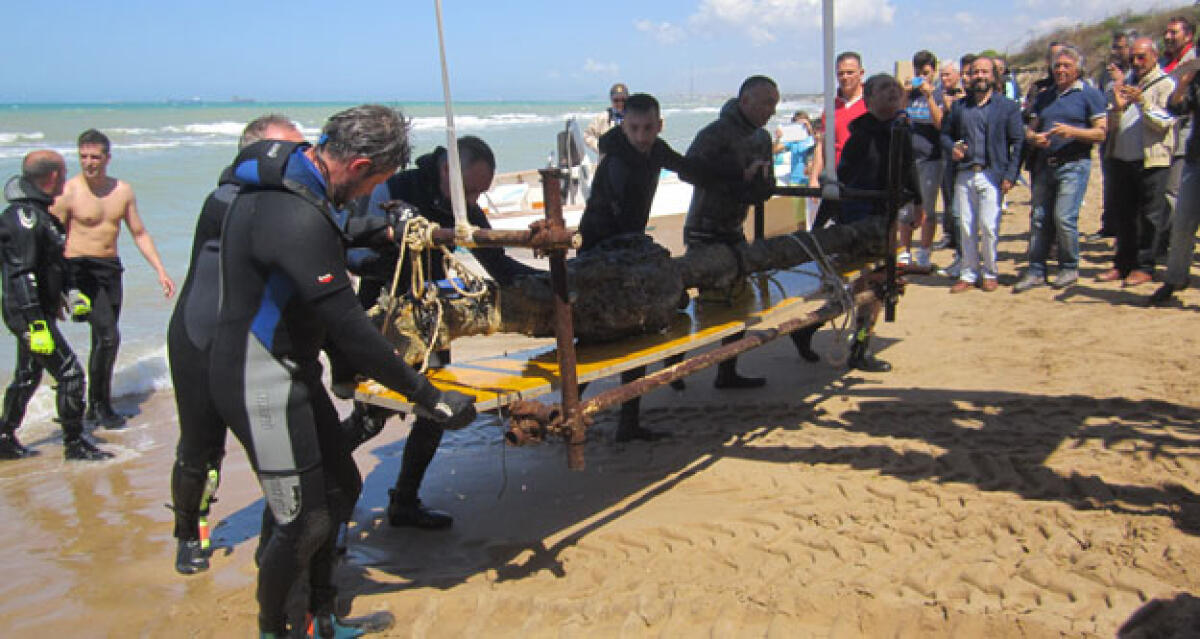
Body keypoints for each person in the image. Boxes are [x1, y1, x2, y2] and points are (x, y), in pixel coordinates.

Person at [209, 105, 476, 638]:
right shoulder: (293, 214)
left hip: (292, 369)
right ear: (356, 165)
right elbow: (350, 328)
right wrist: (429, 396)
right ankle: (277, 630)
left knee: (340, 488)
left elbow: (338, 228)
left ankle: (321, 617)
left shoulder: (300, 181)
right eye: (373, 184)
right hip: (257, 379)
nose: (366, 194)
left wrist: (382, 226)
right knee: (302, 518)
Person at [353, 135, 535, 531]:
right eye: (469, 190)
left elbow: (498, 263)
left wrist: (553, 275)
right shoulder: (396, 190)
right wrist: (396, 243)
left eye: (481, 193)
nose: (474, 201)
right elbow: (352, 253)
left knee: (438, 407)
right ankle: (320, 488)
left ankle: (404, 501)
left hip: (435, 321)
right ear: (446, 172)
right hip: (388, 321)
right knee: (371, 418)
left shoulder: (464, 206)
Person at [167, 115, 306, 576]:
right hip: (200, 336)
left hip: (250, 340)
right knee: (201, 446)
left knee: (273, 446)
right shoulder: (226, 199)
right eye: (288, 152)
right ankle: (189, 533)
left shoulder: (283, 200)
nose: (299, 160)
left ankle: (292, 531)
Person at [580, 92, 761, 440]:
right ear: (624, 125)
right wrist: (637, 255)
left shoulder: (656, 149)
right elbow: (614, 217)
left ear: (659, 126)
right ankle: (576, 410)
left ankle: (629, 419)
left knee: (638, 332)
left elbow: (692, 169)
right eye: (634, 129)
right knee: (596, 338)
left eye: (648, 128)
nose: (642, 137)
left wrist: (740, 174)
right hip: (601, 251)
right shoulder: (617, 160)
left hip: (630, 248)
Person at [51, 129, 176, 429]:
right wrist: (55, 287)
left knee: (104, 338)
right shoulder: (68, 192)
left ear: (108, 157)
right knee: (108, 336)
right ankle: (97, 405)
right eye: (83, 156)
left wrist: (160, 270)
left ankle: (95, 401)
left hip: (110, 269)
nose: (89, 162)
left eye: (95, 157)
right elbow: (50, 239)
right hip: (79, 271)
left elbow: (139, 233)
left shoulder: (122, 191)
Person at [0, 151, 112, 461]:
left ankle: (3, 436)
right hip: (28, 315)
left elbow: (51, 266)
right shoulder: (24, 218)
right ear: (52, 177)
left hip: (35, 312)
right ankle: (74, 445)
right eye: (63, 174)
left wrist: (70, 293)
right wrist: (36, 323)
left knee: (28, 374)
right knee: (71, 374)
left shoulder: (40, 215)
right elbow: (21, 273)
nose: (66, 179)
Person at [812, 74, 922, 372]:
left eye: (895, 89)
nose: (892, 92)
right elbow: (840, 183)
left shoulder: (900, 130)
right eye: (883, 88)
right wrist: (819, 226)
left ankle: (860, 346)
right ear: (869, 99)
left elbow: (908, 168)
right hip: (857, 223)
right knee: (862, 285)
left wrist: (919, 203)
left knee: (882, 288)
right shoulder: (861, 136)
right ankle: (810, 331)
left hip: (885, 221)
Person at [683, 75, 778, 388]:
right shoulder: (717, 132)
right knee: (703, 303)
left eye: (775, 104)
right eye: (767, 103)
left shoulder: (762, 138)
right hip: (703, 230)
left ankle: (727, 372)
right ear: (745, 101)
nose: (772, 111)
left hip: (733, 229)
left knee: (739, 302)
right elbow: (688, 170)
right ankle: (673, 365)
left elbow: (763, 189)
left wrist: (760, 184)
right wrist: (738, 175)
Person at [1014, 45, 1107, 292]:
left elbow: (1101, 132)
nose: (1061, 70)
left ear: (1077, 69)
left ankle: (1068, 266)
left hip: (1074, 164)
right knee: (1039, 218)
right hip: (1045, 164)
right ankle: (1035, 270)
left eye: (1066, 65)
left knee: (1064, 218)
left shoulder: (1089, 94)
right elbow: (1029, 127)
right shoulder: (1045, 96)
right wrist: (1034, 138)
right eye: (1057, 66)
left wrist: (1073, 132)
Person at [1097, 38, 1176, 288]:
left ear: (1154, 55)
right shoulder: (1127, 83)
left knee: (1150, 216)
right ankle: (1123, 263)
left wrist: (1143, 102)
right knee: (1124, 215)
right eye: (1133, 58)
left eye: (1141, 57)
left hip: (1152, 160)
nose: (1136, 63)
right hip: (1122, 158)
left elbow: (1165, 122)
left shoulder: (1165, 84)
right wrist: (1117, 108)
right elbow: (1112, 124)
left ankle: (1145, 266)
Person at [941, 57, 1025, 293]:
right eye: (975, 72)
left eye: (984, 72)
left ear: (993, 76)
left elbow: (1018, 142)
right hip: (965, 174)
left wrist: (1011, 174)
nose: (979, 76)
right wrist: (952, 148)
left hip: (992, 174)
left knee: (989, 226)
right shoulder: (960, 107)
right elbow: (945, 135)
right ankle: (968, 273)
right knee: (966, 226)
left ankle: (989, 271)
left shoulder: (1007, 107)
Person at [1148, 49, 1200, 306]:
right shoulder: (1195, 77)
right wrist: (1183, 83)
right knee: (1183, 222)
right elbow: (1177, 107)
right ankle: (1175, 278)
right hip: (1195, 158)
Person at [898, 49, 945, 271]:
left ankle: (924, 252)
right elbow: (897, 115)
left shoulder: (938, 94)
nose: (922, 77)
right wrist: (906, 92)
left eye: (926, 73)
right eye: (919, 73)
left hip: (930, 158)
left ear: (934, 71)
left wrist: (928, 95)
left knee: (926, 208)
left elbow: (940, 123)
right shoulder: (911, 94)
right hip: (908, 160)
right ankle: (905, 251)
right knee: (904, 210)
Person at [1093, 29, 1140, 241]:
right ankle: (1109, 225)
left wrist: (1122, 82)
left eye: (1121, 47)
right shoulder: (1107, 73)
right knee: (1110, 181)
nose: (1117, 51)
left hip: (1132, 133)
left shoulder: (1138, 73)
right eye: (1115, 47)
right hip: (1110, 131)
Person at [808, 52, 867, 186]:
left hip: (864, 180)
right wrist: (813, 178)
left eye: (850, 72)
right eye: (841, 73)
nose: (845, 77)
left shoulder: (871, 103)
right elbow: (822, 144)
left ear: (861, 73)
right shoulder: (830, 108)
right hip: (835, 179)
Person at [935, 60, 966, 256]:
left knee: (961, 200)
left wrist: (954, 107)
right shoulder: (939, 93)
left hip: (964, 152)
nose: (944, 79)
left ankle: (961, 240)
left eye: (948, 75)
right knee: (947, 195)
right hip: (946, 150)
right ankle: (950, 235)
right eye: (942, 75)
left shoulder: (966, 95)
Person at [773, 111, 816, 187]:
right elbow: (774, 150)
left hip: (811, 179)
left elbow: (819, 145)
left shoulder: (813, 138)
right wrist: (778, 138)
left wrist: (810, 128)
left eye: (802, 125)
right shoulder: (793, 140)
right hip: (795, 181)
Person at [584, 83, 630, 154]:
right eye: (616, 100)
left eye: (623, 100)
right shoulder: (602, 117)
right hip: (607, 161)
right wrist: (601, 147)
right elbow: (587, 136)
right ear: (611, 99)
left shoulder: (634, 117)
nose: (620, 103)